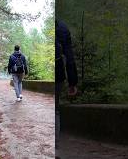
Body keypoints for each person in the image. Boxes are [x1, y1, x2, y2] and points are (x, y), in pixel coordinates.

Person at [56, 20, 78, 158]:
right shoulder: (62, 27)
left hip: (57, 72)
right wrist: (72, 82)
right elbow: (69, 57)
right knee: (55, 109)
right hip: (58, 72)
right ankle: (55, 149)